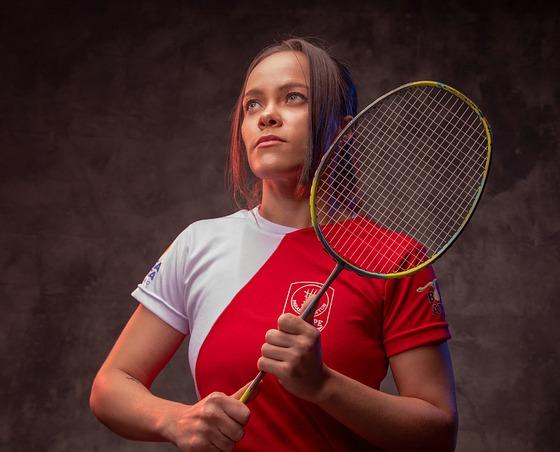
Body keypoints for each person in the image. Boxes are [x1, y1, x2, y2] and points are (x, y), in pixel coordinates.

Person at [90, 37, 458, 451]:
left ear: (342, 129)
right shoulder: (198, 244)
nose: (267, 116)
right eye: (253, 105)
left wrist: (322, 384)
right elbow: (110, 386)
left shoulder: (394, 258)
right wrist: (176, 420)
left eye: (293, 98)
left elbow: (438, 433)